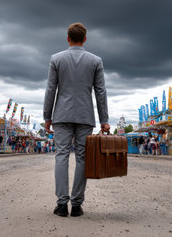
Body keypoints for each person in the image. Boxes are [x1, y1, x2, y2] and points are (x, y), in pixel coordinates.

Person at [44, 23, 109, 217]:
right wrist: (104, 119)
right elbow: (100, 91)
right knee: (82, 158)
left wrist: (47, 117)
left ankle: (62, 204)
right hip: (85, 116)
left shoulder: (56, 59)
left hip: (62, 115)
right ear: (85, 39)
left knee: (61, 156)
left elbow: (50, 90)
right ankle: (77, 205)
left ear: (68, 38)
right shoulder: (95, 61)